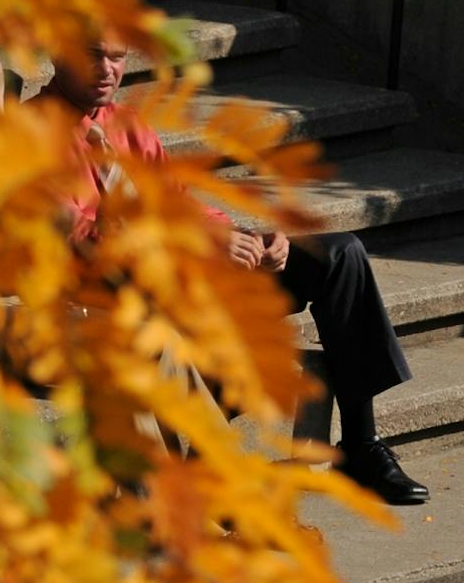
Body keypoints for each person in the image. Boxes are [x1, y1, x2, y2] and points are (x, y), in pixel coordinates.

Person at [31, 35, 427, 504]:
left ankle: (361, 446)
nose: (108, 70)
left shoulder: (127, 125)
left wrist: (249, 237)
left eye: (118, 58)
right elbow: (74, 241)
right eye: (93, 55)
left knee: (339, 255)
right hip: (114, 292)